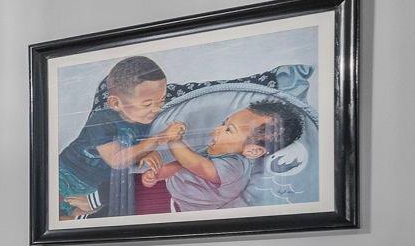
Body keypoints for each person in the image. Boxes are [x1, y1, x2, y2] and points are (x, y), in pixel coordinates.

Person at [55, 56, 174, 219]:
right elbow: (117, 160)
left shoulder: (146, 122)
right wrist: (155, 141)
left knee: (85, 218)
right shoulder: (101, 121)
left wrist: (146, 153)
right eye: (147, 104)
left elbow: (133, 152)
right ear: (116, 103)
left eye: (161, 101)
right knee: (56, 213)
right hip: (67, 175)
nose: (156, 109)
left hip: (98, 186)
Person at [140, 98, 309, 210]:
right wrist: (159, 174)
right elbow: (181, 164)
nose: (217, 129)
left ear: (252, 150)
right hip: (172, 196)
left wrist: (173, 140)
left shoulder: (235, 167)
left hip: (193, 211)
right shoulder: (213, 151)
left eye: (228, 129)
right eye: (223, 123)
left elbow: (196, 165)